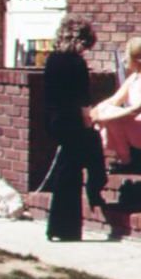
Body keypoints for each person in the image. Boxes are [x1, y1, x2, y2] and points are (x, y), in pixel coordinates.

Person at [43, 15, 107, 242]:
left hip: (55, 120)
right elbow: (82, 100)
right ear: (80, 40)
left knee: (67, 168)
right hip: (72, 121)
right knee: (72, 171)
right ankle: (93, 192)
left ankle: (61, 225)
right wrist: (89, 120)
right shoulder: (76, 64)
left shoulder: (52, 60)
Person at [88, 37, 141, 172]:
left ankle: (126, 161)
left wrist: (104, 118)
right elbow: (114, 100)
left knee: (113, 119)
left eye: (127, 56)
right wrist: (94, 111)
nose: (124, 60)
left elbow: (137, 109)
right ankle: (116, 155)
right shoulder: (134, 78)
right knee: (106, 109)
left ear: (138, 60)